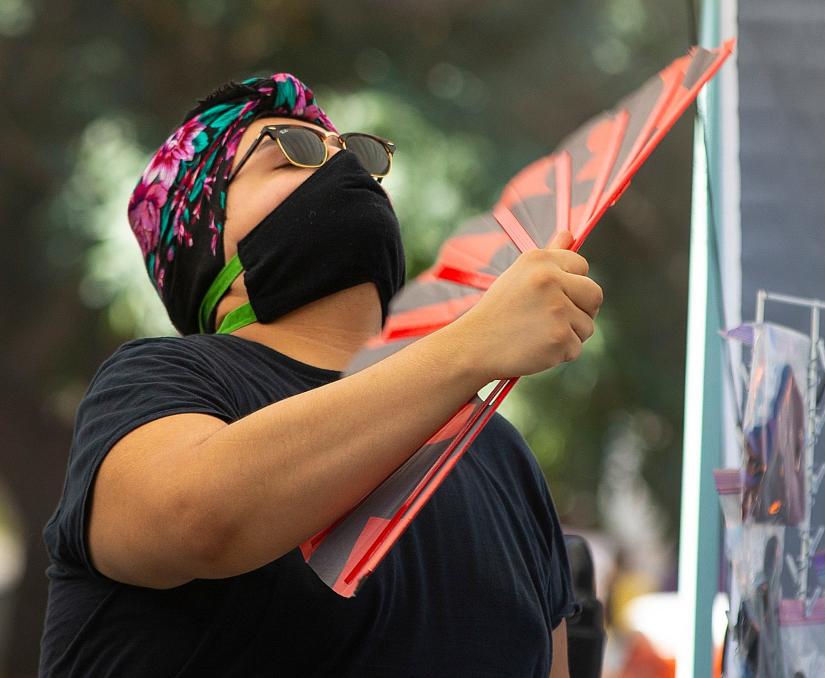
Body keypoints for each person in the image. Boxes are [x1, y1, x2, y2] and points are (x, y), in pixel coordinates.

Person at [39, 72, 603, 677]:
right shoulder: (159, 382)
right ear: (206, 241)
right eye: (293, 148)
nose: (345, 169)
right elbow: (194, 517)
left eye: (357, 154)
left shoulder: (497, 450)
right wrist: (468, 347)